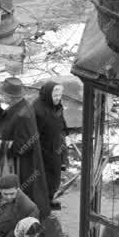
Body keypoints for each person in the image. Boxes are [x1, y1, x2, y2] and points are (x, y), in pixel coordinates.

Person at [0, 77, 51, 219]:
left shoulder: (24, 115)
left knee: (22, 189)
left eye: (3, 94)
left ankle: (21, 216)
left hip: (20, 164)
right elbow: (7, 121)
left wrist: (2, 145)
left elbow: (23, 145)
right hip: (12, 158)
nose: (0, 96)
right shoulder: (17, 105)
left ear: (10, 97)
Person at [34, 80, 68, 211]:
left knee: (55, 175)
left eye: (60, 96)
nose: (58, 99)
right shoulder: (38, 109)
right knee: (45, 176)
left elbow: (60, 120)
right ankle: (42, 203)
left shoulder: (56, 104)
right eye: (55, 96)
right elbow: (33, 132)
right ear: (48, 95)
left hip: (56, 145)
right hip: (44, 149)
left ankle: (49, 198)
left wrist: (64, 132)